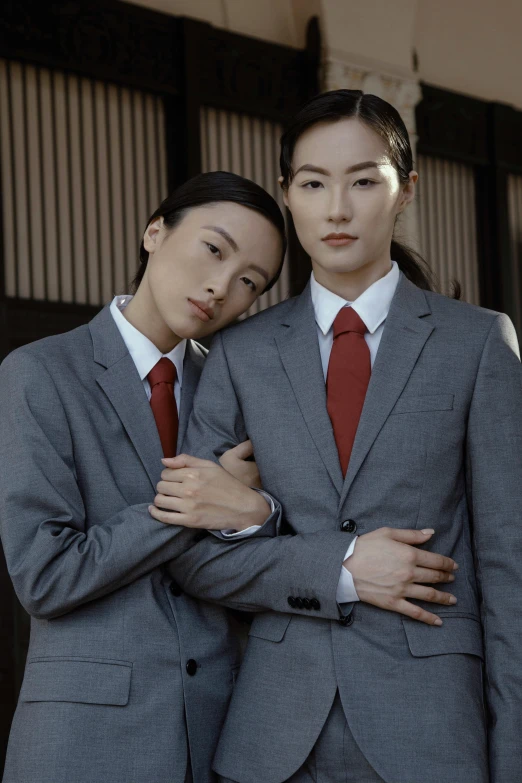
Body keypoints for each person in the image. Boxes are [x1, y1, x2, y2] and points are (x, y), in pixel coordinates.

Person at [155, 91, 522, 783]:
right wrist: (342, 567)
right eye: (313, 183)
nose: (337, 209)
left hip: (433, 734)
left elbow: (510, 569)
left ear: (406, 189)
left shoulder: (478, 343)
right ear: (289, 195)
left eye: (363, 180)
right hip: (273, 739)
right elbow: (192, 559)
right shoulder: (240, 354)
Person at [0, 171, 356, 783]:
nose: (222, 287)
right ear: (155, 231)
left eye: (251, 282)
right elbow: (45, 575)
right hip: (83, 739)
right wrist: (198, 499)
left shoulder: (242, 388)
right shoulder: (41, 373)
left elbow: (270, 551)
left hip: (222, 732)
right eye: (214, 250)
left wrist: (255, 516)